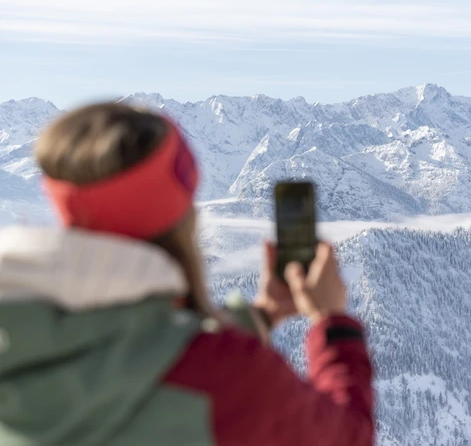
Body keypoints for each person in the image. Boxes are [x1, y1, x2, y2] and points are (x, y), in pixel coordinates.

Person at [0, 103, 374, 446]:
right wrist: (331, 322)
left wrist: (261, 314)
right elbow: (346, 436)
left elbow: (126, 349)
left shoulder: (19, 337)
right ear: (184, 223)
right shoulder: (231, 378)